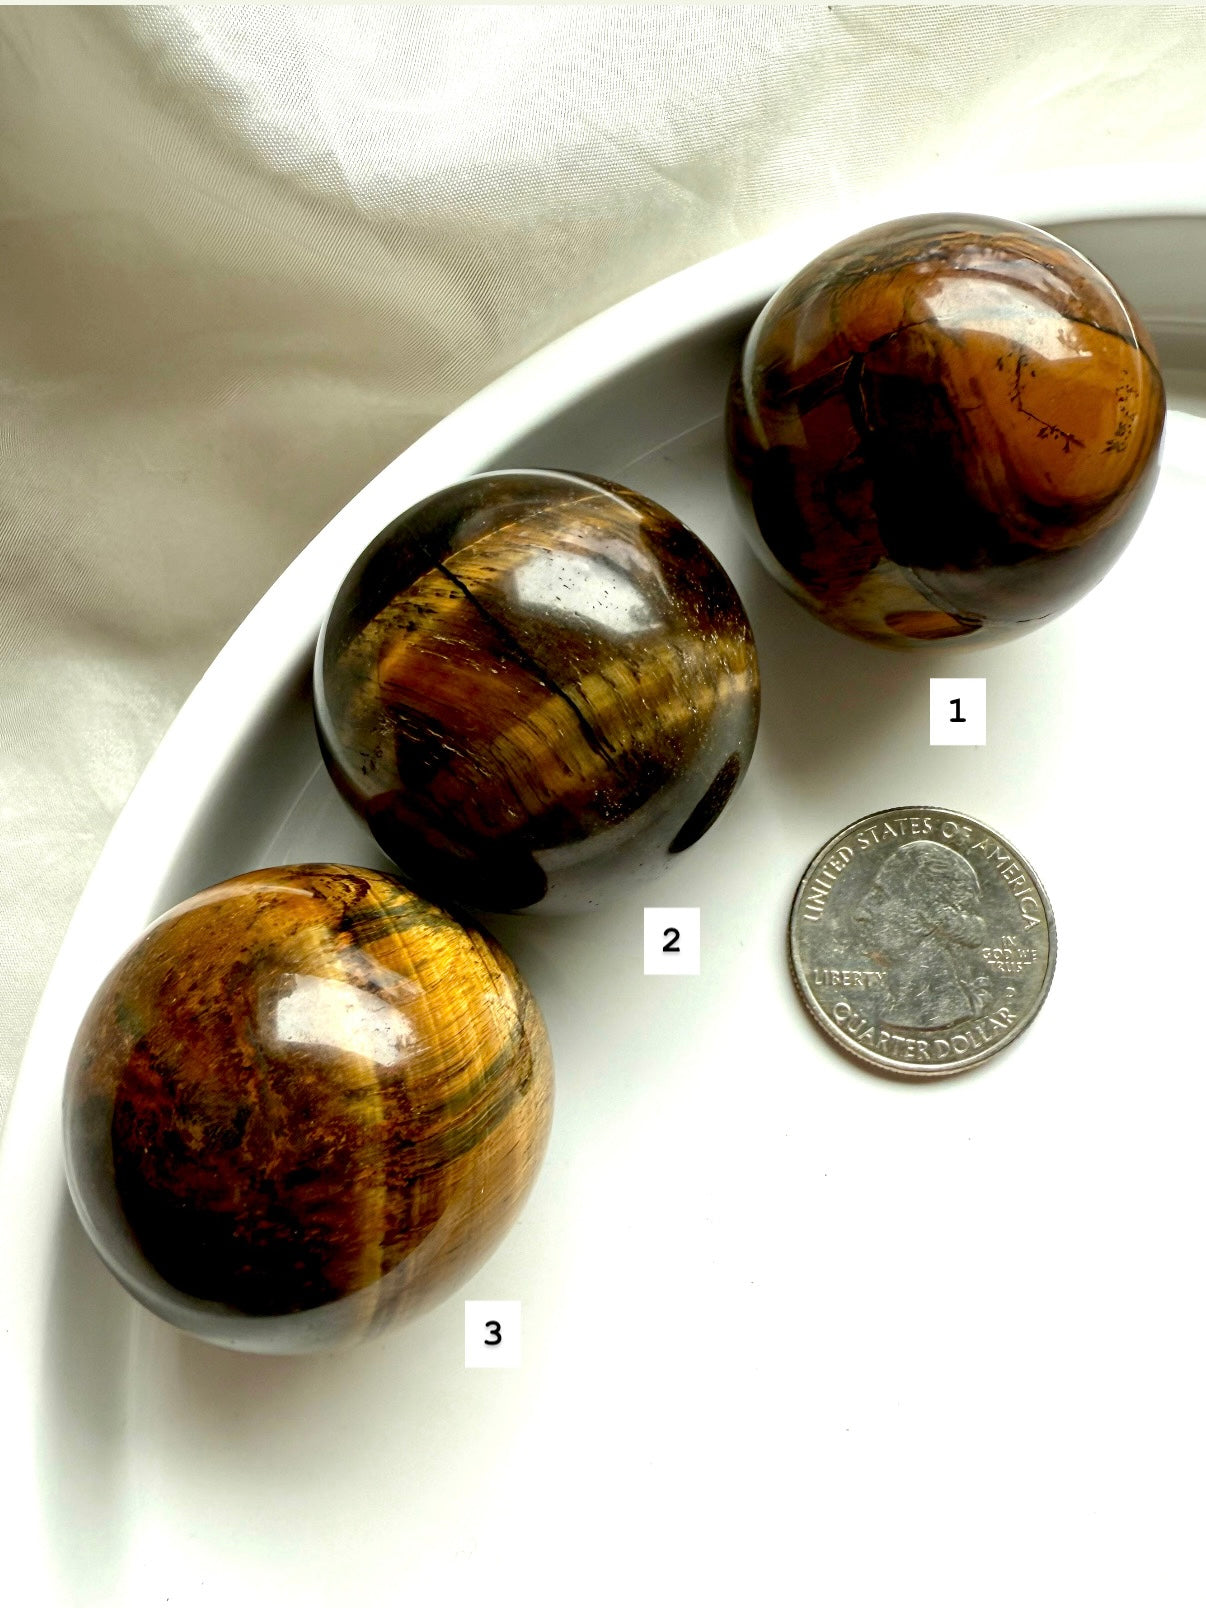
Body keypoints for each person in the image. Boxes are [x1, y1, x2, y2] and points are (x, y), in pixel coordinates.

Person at [854, 840, 991, 1029]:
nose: (860, 912)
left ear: (926, 917)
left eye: (880, 896)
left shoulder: (938, 1012)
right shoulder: (891, 1006)